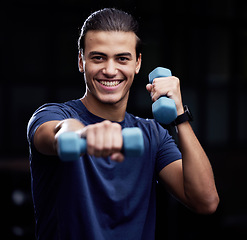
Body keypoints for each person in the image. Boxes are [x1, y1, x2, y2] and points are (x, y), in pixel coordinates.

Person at [27, 8, 219, 240]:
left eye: (122, 58)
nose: (110, 70)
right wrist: (84, 135)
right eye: (98, 57)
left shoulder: (153, 135)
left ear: (137, 64)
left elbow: (205, 201)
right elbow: (58, 132)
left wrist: (179, 114)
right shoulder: (51, 114)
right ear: (81, 61)